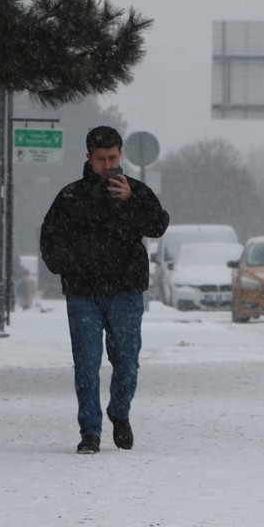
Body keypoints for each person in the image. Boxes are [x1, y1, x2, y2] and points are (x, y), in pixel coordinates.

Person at [40, 126, 170, 454]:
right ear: (89, 158)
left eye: (113, 157)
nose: (107, 164)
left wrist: (132, 200)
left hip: (125, 290)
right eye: (101, 159)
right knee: (86, 363)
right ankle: (90, 432)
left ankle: (120, 413)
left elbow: (157, 225)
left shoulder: (136, 191)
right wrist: (71, 263)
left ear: (121, 154)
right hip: (83, 293)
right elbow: (50, 240)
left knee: (127, 361)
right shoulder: (70, 197)